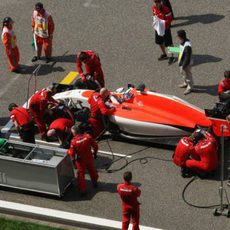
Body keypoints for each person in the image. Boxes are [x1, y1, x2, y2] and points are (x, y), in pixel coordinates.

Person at [67, 125, 99, 196]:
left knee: (81, 175)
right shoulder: (88, 137)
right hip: (89, 157)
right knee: (92, 170)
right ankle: (95, 182)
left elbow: (71, 153)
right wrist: (95, 153)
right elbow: (95, 146)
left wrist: (69, 154)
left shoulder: (73, 141)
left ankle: (82, 190)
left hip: (80, 160)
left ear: (74, 133)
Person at [152, 0, 175, 65]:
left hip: (165, 28)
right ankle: (165, 54)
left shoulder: (166, 9)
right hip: (158, 28)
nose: (156, 4)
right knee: (159, 42)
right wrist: (155, 22)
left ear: (160, 2)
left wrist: (163, 23)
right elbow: (154, 14)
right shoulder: (154, 7)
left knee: (169, 44)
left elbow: (170, 19)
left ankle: (172, 56)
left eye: (157, 2)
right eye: (155, 2)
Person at [177, 29, 194, 95]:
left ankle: (190, 87)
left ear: (180, 37)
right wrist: (172, 49)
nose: (177, 37)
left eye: (178, 36)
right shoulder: (183, 41)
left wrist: (183, 66)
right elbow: (181, 50)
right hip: (183, 62)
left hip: (186, 64)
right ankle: (186, 83)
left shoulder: (187, 46)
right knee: (184, 75)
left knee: (188, 75)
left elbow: (187, 58)